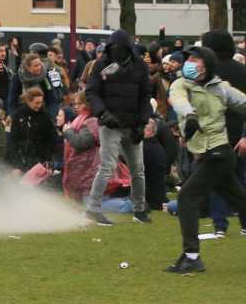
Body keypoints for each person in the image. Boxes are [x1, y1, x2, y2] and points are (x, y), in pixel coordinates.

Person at [165, 48, 246, 273]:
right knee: (240, 201)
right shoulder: (181, 84)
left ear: (206, 65)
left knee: (187, 197)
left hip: (218, 153)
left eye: (194, 59)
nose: (188, 63)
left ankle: (192, 256)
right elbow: (179, 100)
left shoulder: (222, 88)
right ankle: (190, 256)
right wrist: (190, 114)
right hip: (208, 154)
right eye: (188, 59)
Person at [82, 29, 152, 227]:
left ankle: (139, 209)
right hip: (111, 123)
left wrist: (142, 123)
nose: (115, 52)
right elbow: (92, 92)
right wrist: (103, 114)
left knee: (138, 170)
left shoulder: (139, 67)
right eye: (113, 48)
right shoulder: (101, 65)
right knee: (108, 167)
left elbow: (145, 96)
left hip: (132, 124)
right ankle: (93, 209)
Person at [202, 30, 246, 237]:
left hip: (216, 133)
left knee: (217, 179)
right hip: (239, 132)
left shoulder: (209, 73)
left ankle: (220, 224)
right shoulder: (242, 70)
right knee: (239, 180)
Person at [61, 92, 102, 203]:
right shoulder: (81, 119)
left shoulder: (91, 121)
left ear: (88, 104)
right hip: (85, 168)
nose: (76, 106)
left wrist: (68, 132)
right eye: (74, 104)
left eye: (80, 103)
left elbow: (81, 143)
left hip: (90, 169)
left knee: (89, 201)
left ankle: (128, 204)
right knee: (84, 200)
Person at [6, 87, 58, 172]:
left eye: (41, 102)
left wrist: (48, 161)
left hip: (40, 161)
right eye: (36, 103)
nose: (39, 105)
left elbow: (52, 139)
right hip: (22, 159)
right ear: (28, 101)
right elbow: (13, 140)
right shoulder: (18, 114)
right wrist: (16, 164)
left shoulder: (45, 116)